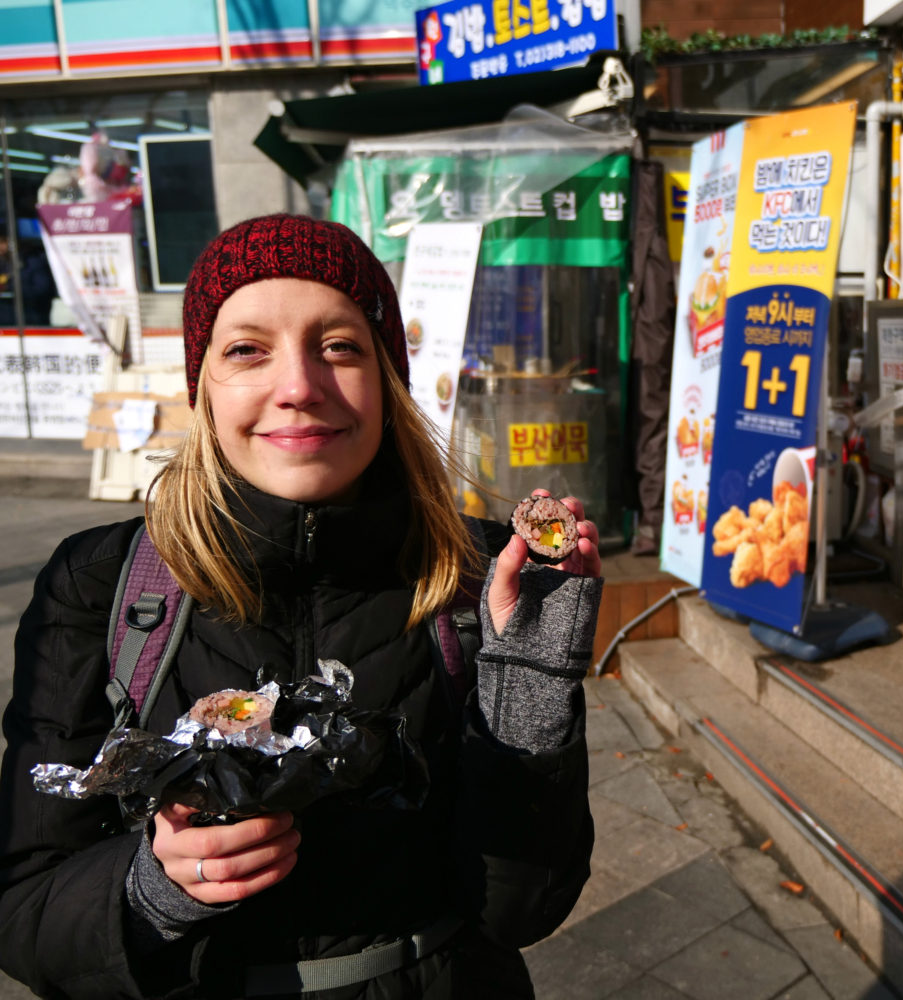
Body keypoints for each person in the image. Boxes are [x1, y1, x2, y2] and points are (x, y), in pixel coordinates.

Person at [0, 214, 602, 998]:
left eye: (341, 346)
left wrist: (528, 691)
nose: (298, 386)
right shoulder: (100, 582)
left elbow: (521, 909)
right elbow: (24, 910)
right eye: (247, 349)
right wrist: (153, 888)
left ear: (387, 381)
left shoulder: (481, 574)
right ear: (202, 384)